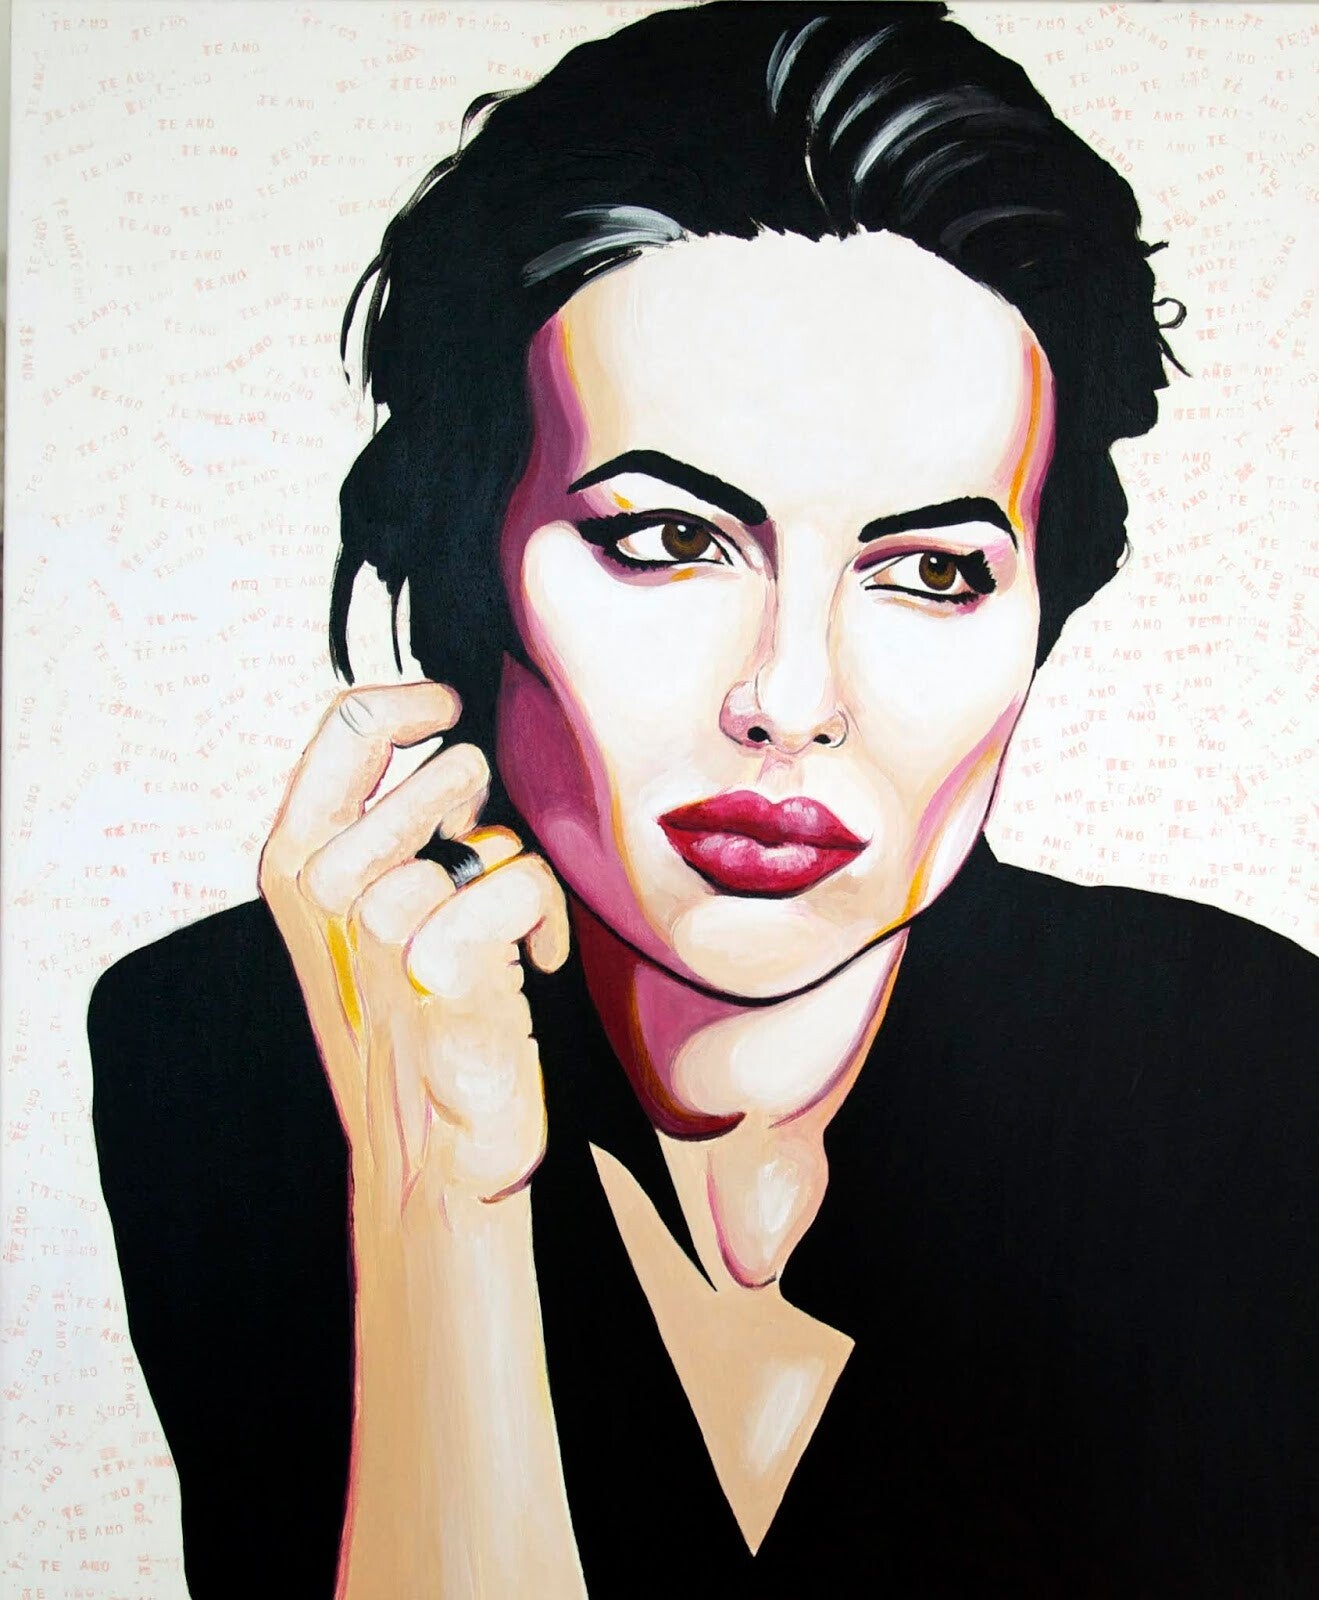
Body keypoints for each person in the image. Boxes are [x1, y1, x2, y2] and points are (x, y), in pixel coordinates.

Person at [88, 4, 1319, 1596]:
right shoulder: (231, 1049)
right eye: (669, 541)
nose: (791, 697)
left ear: (1043, 612)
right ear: (469, 552)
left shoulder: (1242, 1070)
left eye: (935, 571)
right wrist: (441, 1218)